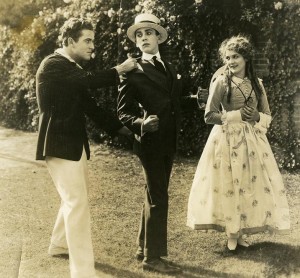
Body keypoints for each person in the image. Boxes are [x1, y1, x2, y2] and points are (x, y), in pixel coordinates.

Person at [35, 17, 136, 278]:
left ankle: (58, 245)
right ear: (70, 42)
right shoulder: (54, 64)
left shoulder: (70, 70)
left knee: (74, 199)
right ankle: (82, 272)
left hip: (72, 145)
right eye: (88, 41)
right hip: (58, 144)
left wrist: (127, 131)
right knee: (76, 203)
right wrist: (119, 70)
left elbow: (92, 108)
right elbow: (89, 81)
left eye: (93, 41)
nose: (93, 46)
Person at [187, 35, 290, 253]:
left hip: (251, 141)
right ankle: (231, 232)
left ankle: (241, 231)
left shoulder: (256, 84)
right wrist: (235, 115)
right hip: (226, 139)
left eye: (236, 56)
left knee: (247, 184)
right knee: (229, 183)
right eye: (228, 57)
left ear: (246, 58)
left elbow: (267, 115)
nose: (231, 61)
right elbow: (209, 115)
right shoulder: (222, 82)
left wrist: (255, 118)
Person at [117, 13, 182, 274]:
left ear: (158, 37)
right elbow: (122, 112)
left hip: (168, 140)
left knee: (153, 193)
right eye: (139, 35)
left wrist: (195, 100)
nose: (143, 38)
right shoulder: (132, 70)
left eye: (148, 33)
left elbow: (170, 102)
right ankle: (152, 259)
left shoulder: (168, 67)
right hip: (149, 142)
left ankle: (142, 246)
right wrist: (141, 124)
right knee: (158, 196)